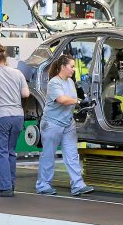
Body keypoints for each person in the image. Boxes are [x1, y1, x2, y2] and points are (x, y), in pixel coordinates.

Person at [36, 54, 94, 196]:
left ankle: (78, 185)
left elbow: (72, 101)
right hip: (52, 124)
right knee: (48, 155)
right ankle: (43, 185)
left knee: (72, 155)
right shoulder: (54, 83)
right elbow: (62, 100)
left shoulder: (70, 82)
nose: (73, 69)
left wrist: (83, 104)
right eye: (72, 66)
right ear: (63, 67)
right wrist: (79, 102)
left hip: (68, 124)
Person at [0, 44, 30, 197]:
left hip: (0, 116)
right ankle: (11, 185)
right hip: (18, 116)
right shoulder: (18, 73)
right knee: (10, 152)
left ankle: (5, 188)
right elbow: (25, 94)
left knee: (0, 152)